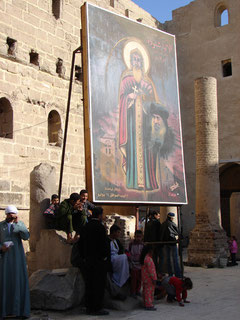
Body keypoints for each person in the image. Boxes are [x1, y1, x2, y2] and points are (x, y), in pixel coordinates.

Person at [119, 40, 174, 191]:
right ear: (130, 61)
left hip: (146, 124)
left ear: (143, 62)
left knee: (148, 152)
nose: (136, 62)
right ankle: (133, 181)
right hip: (131, 123)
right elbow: (122, 98)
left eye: (139, 59)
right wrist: (130, 96)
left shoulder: (148, 81)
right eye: (134, 59)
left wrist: (145, 99)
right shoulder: (126, 78)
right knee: (133, 150)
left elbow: (155, 103)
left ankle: (149, 182)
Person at [0, 205, 30, 318]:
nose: (10, 216)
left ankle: (19, 311)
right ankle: (5, 311)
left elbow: (26, 236)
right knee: (5, 282)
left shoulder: (20, 225)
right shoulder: (1, 226)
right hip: (5, 259)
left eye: (12, 214)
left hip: (17, 259)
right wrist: (1, 248)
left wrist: (17, 224)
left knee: (18, 281)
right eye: (9, 214)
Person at [83, 207, 109, 316]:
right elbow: (104, 245)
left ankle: (89, 306)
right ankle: (97, 307)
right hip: (98, 261)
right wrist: (104, 256)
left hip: (88, 260)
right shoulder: (100, 228)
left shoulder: (86, 226)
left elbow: (81, 244)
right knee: (98, 285)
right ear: (99, 215)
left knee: (89, 283)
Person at [160, 212, 181, 278]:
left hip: (165, 243)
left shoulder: (163, 224)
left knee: (168, 259)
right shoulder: (172, 224)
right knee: (175, 259)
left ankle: (170, 274)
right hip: (172, 243)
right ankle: (178, 274)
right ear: (171, 218)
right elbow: (177, 232)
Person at [140, 244, 157, 311]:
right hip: (149, 279)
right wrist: (154, 278)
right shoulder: (149, 259)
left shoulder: (144, 258)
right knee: (149, 292)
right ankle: (149, 304)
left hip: (144, 278)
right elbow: (151, 270)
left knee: (145, 291)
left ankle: (145, 303)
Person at [128, 230, 144, 297]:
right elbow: (128, 252)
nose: (138, 238)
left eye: (139, 237)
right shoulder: (131, 244)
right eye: (137, 237)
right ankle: (133, 291)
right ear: (134, 236)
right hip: (133, 264)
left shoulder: (142, 245)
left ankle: (138, 290)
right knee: (134, 279)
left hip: (140, 264)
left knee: (139, 279)